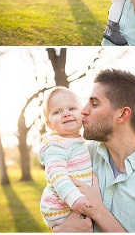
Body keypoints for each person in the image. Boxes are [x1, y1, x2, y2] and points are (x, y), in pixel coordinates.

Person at [52, 69, 135, 232]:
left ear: (123, 114)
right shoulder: (80, 154)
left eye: (94, 104)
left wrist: (98, 211)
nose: (83, 111)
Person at [38, 87, 94, 230]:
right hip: (60, 207)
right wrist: (74, 198)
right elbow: (57, 176)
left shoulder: (79, 142)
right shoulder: (56, 146)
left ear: (81, 114)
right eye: (58, 112)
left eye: (72, 108)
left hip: (75, 205)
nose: (66, 114)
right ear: (49, 124)